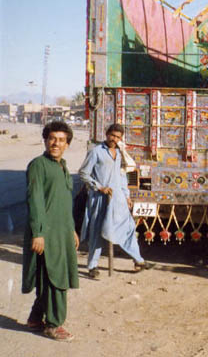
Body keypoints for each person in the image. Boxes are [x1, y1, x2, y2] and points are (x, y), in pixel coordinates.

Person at [23, 121, 79, 341]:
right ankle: (54, 325)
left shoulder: (62, 165)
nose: (56, 143)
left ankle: (36, 319)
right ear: (45, 140)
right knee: (56, 278)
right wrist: (38, 233)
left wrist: (72, 229)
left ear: (67, 144)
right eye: (52, 138)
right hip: (46, 233)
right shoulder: (38, 165)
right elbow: (35, 199)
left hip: (62, 232)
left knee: (50, 276)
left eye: (61, 140)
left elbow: (63, 203)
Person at [79, 123, 153, 279]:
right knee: (97, 232)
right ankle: (92, 266)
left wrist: (127, 196)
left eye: (118, 137)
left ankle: (138, 260)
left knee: (128, 228)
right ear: (106, 134)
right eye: (112, 135)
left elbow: (121, 177)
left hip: (118, 199)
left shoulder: (119, 154)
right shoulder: (96, 152)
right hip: (100, 199)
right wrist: (99, 187)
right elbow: (84, 173)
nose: (114, 139)